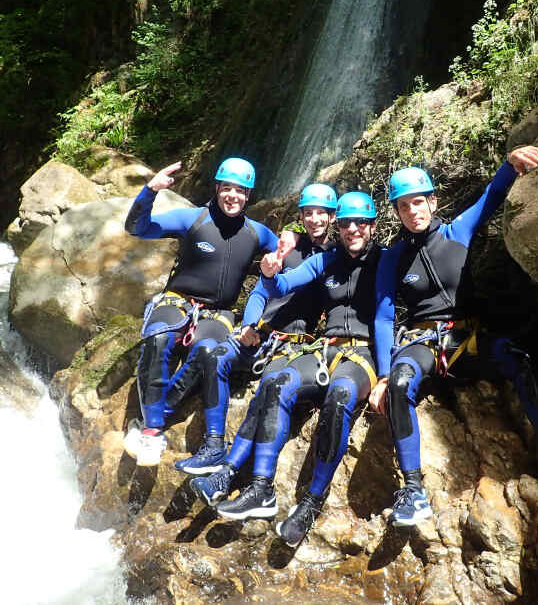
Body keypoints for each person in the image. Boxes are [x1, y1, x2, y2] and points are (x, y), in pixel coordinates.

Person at [371, 146, 538, 528]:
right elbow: (384, 315)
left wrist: (510, 165)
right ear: (397, 213)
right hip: (421, 343)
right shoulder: (392, 257)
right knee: (401, 382)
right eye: (403, 207)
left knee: (519, 357)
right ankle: (412, 489)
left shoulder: (458, 232)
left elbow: (491, 197)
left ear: (433, 201)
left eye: (418, 202)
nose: (412, 212)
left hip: (464, 342)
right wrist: (384, 372)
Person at [194, 192, 382, 548]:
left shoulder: (384, 260)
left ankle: (310, 504)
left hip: (364, 354)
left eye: (360, 223)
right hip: (325, 349)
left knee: (340, 396)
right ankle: (262, 489)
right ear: (338, 227)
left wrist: (385, 375)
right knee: (276, 380)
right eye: (345, 224)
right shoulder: (327, 259)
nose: (353, 229)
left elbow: (386, 316)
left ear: (373, 225)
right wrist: (269, 274)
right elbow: (283, 284)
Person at [122, 157, 292, 466]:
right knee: (159, 339)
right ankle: (151, 431)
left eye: (241, 191)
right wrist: (150, 191)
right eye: (228, 188)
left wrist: (290, 241)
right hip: (178, 300)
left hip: (219, 313)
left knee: (208, 352)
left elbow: (287, 260)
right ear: (217, 188)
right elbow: (138, 228)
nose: (233, 197)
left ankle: (154, 419)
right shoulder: (194, 219)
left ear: (249, 196)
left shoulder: (257, 233)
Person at [172, 183, 338, 476]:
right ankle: (213, 445)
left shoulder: (336, 257)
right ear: (301, 215)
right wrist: (249, 325)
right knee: (215, 357)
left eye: (321, 213)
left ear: (333, 217)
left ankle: (243, 473)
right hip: (262, 333)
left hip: (294, 343)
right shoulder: (287, 248)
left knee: (270, 389)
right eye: (308, 213)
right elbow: (260, 294)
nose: (314, 219)